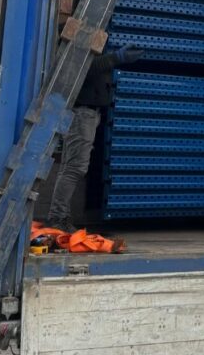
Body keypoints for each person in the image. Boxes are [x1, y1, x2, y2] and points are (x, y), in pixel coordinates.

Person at [46, 44, 142, 232]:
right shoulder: (79, 43)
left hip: (89, 113)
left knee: (70, 166)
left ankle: (59, 216)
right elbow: (85, 67)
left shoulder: (91, 45)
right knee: (75, 168)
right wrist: (116, 57)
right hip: (82, 112)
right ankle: (58, 218)